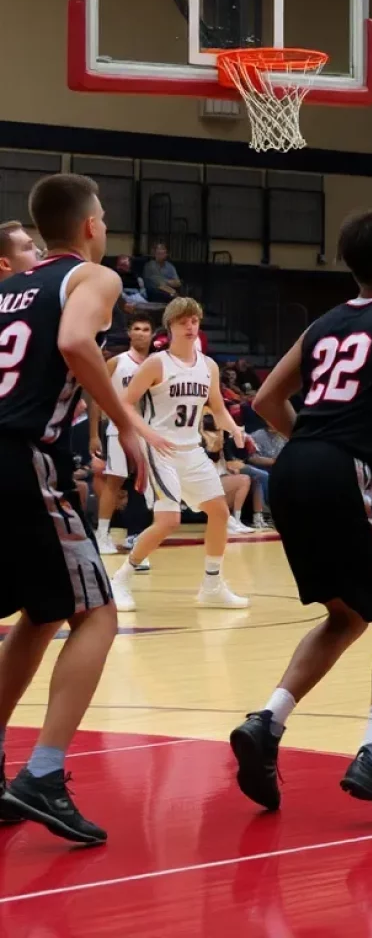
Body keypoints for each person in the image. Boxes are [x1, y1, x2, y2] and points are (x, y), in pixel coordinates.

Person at [229, 208, 372, 824]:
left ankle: (267, 723)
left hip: (293, 469)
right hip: (340, 468)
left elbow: (266, 399)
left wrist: (314, 443)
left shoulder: (322, 323)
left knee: (345, 616)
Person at [0, 173, 150, 845]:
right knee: (98, 612)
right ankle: (45, 774)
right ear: (92, 225)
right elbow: (72, 343)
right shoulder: (93, 278)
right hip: (20, 456)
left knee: (40, 612)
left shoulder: (5, 290)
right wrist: (124, 424)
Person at [110, 298, 248, 612]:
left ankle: (212, 585)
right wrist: (148, 434)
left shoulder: (208, 366)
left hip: (192, 449)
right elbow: (124, 404)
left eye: (194, 321)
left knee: (219, 513)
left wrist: (235, 429)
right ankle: (122, 577)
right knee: (169, 521)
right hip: (161, 450)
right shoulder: (157, 363)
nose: (190, 326)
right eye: (183, 321)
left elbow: (218, 408)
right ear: (170, 326)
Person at [88, 313, 153, 554]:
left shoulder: (156, 364)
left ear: (152, 335)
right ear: (129, 333)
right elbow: (97, 397)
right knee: (115, 480)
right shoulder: (117, 362)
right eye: (136, 328)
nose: (140, 333)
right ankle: (102, 534)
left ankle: (135, 534)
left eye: (146, 329)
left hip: (147, 432)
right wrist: (94, 434)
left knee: (145, 485)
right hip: (119, 428)